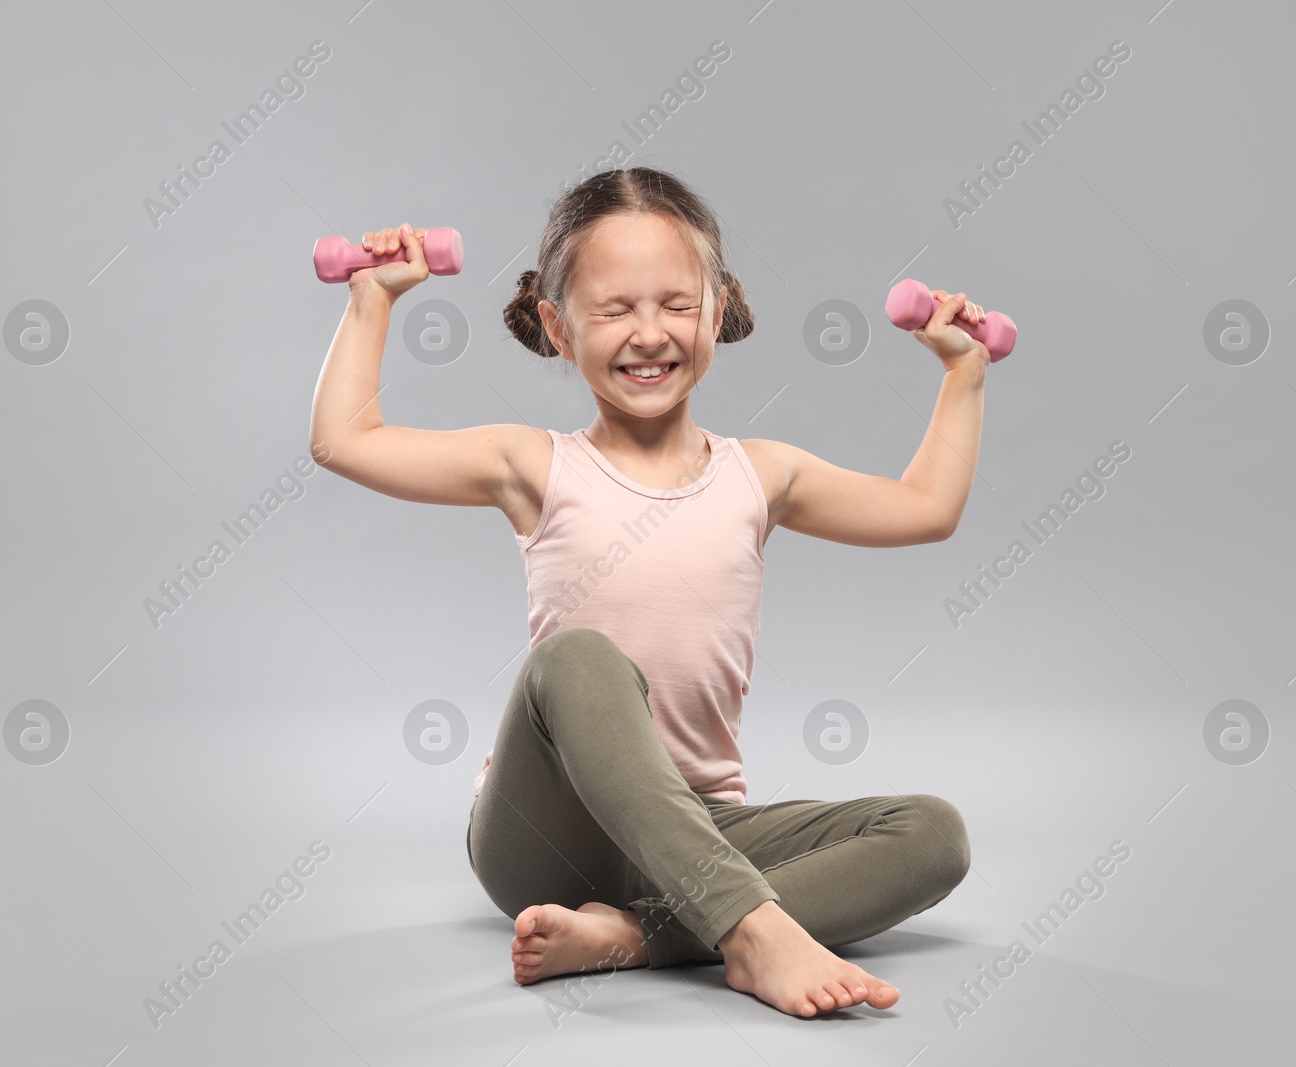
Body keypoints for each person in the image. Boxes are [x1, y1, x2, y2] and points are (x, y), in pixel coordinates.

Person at [308, 166, 990, 1019]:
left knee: (933, 833)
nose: (649, 333)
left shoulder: (762, 475)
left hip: (699, 827)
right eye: (614, 308)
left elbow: (926, 510)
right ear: (557, 326)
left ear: (719, 307)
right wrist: (373, 298)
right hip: (545, 835)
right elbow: (344, 440)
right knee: (578, 658)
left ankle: (636, 934)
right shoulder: (534, 464)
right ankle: (749, 929)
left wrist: (964, 373)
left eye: (675, 303)